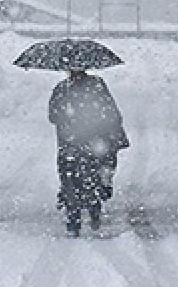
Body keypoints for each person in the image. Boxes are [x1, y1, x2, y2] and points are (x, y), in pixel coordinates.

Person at [48, 69, 128, 237]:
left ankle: (73, 218)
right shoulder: (97, 86)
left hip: (70, 143)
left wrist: (68, 118)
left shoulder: (62, 89)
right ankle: (93, 210)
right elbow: (111, 112)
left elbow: (53, 116)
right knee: (93, 176)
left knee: (70, 178)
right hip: (93, 142)